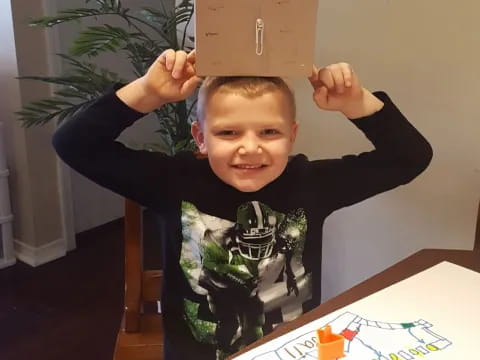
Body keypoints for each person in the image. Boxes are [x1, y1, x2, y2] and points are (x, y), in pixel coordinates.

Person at [52, 49, 433, 360]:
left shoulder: (313, 183)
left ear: (292, 135)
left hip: (289, 350)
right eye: (228, 132)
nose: (250, 147)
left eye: (269, 131)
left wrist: (357, 103)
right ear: (200, 138)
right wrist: (147, 93)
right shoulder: (171, 183)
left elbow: (410, 157)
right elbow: (73, 144)